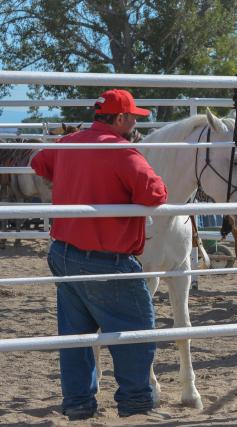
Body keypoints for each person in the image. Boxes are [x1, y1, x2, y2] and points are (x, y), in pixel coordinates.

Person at [31, 89, 168, 420]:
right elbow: (155, 194)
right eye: (133, 117)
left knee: (76, 335)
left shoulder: (69, 143)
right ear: (120, 119)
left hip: (64, 252)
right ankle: (135, 402)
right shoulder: (121, 151)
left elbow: (38, 162)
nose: (136, 123)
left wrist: (74, 178)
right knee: (137, 330)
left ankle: (78, 402)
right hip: (108, 258)